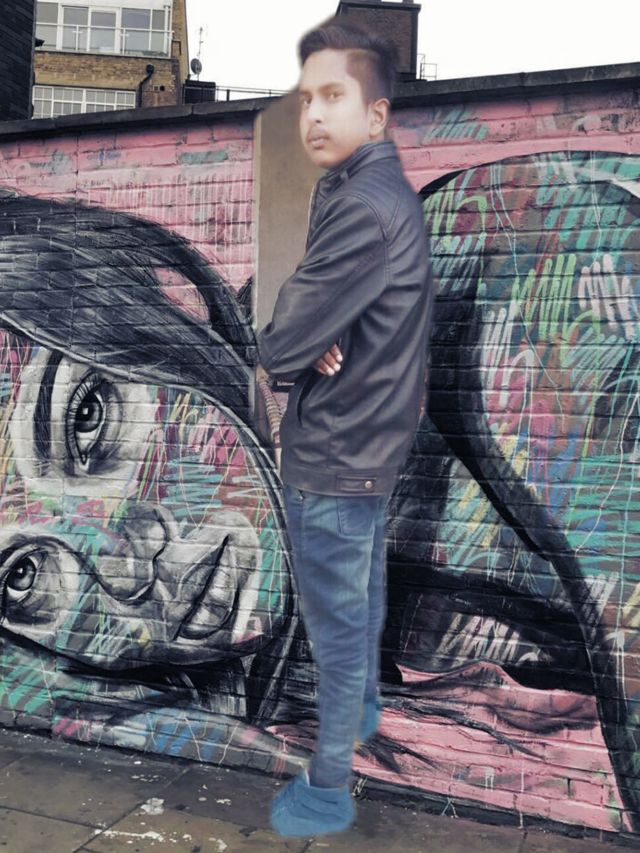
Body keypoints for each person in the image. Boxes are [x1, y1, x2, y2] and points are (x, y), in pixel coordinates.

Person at [258, 21, 434, 837]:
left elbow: (281, 338)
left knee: (334, 622)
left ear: (378, 114)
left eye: (334, 96)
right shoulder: (376, 190)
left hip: (336, 445)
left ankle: (327, 787)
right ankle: (361, 712)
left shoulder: (360, 205)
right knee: (359, 595)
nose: (315, 115)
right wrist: (318, 326)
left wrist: (300, 337)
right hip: (368, 440)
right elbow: (314, 315)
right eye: (306, 100)